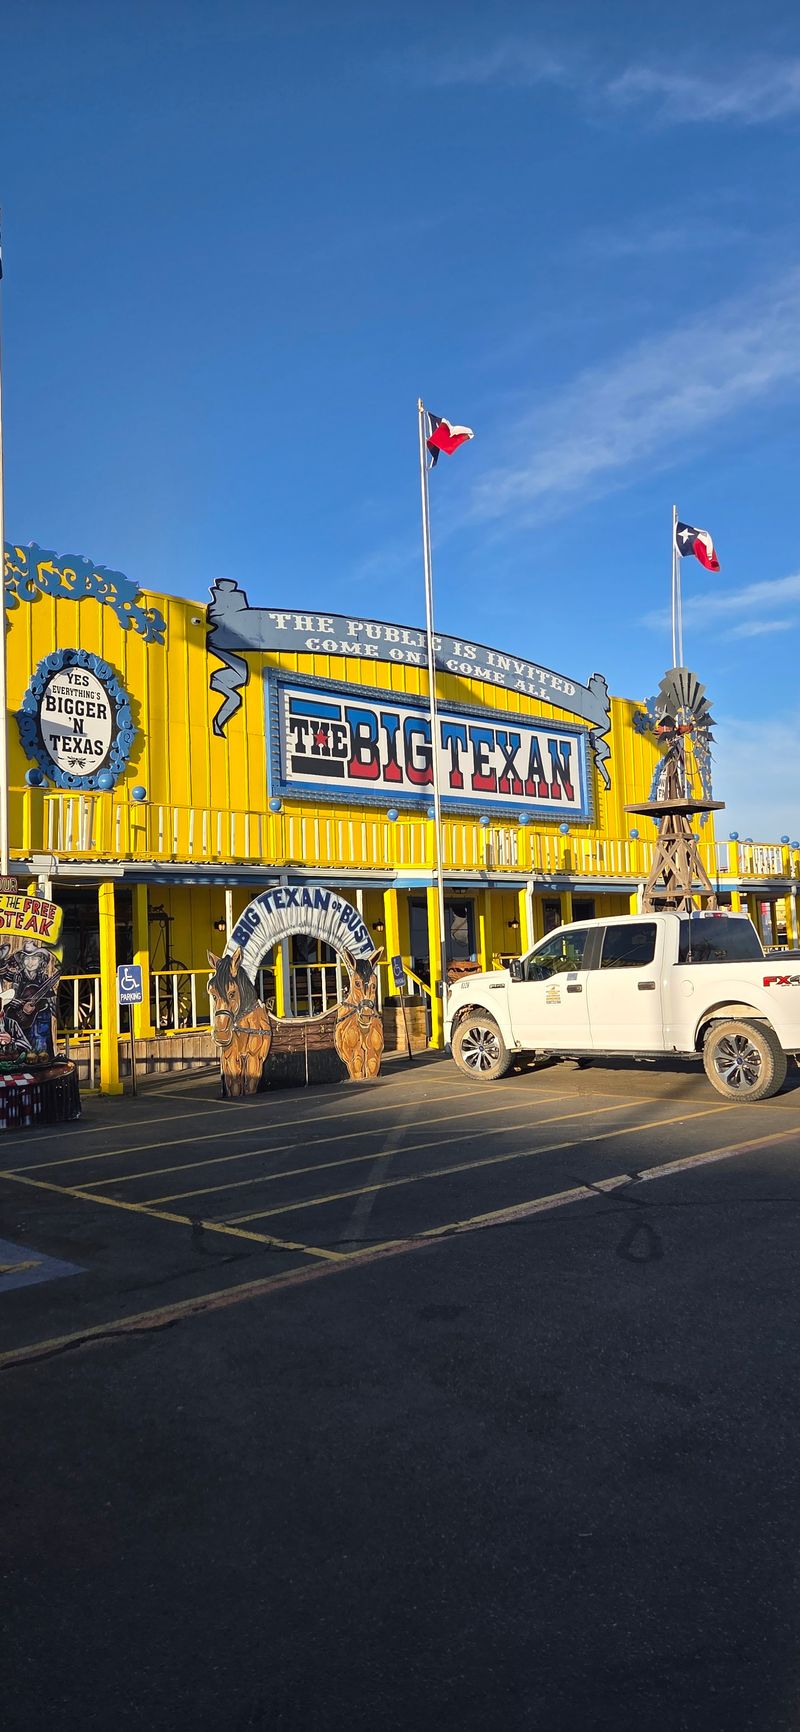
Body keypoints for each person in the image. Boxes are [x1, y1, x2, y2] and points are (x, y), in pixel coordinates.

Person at [10, 940, 57, 1057]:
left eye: (34, 958)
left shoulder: (44, 977)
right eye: (27, 958)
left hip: (41, 1018)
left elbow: (51, 998)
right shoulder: (19, 976)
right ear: (22, 960)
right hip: (23, 1019)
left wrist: (52, 1003)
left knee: (42, 1045)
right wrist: (20, 1005)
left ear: (40, 961)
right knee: (26, 1046)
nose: (30, 962)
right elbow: (13, 996)